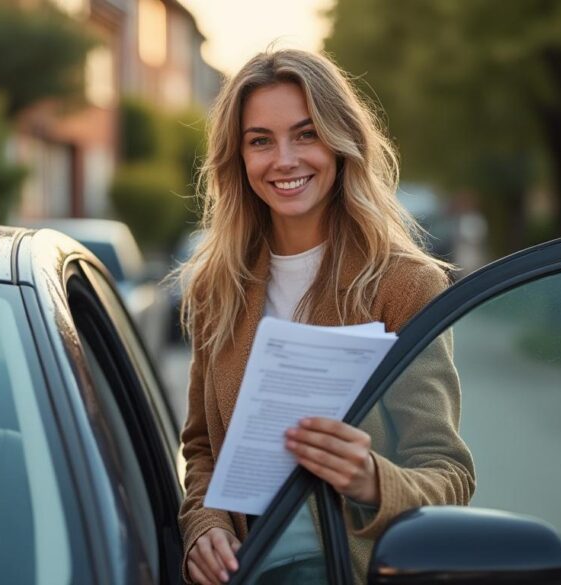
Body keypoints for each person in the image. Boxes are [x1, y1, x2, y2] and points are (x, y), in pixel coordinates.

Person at [175, 48, 475, 585]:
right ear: (238, 159)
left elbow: (449, 473)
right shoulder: (214, 289)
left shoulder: (403, 285)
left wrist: (371, 480)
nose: (284, 159)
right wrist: (203, 522)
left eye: (306, 133)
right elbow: (201, 448)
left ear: (341, 144)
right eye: (260, 140)